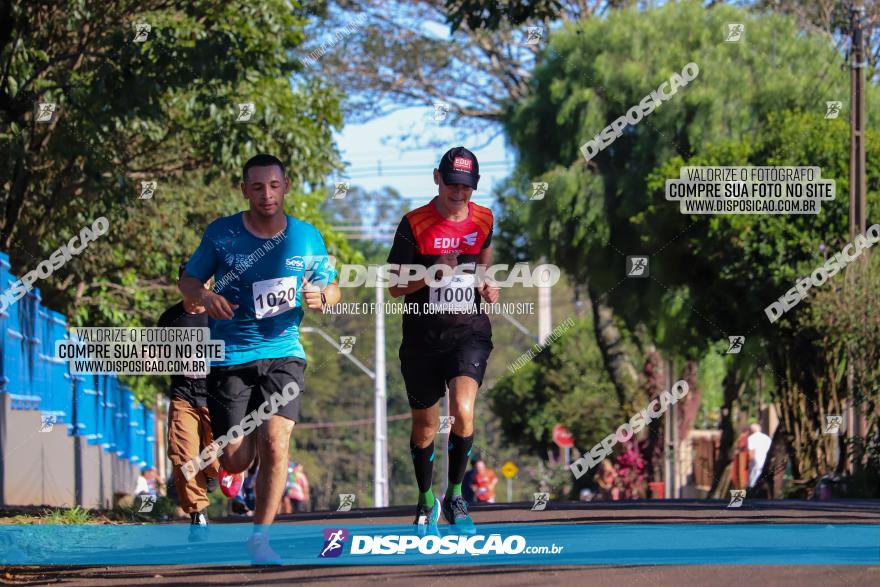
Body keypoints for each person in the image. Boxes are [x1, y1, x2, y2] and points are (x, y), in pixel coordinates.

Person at [179, 153, 340, 564]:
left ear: (285, 187)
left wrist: (322, 296)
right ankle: (232, 457)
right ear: (244, 190)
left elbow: (332, 287)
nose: (266, 194)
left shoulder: (305, 237)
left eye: (273, 185)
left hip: (284, 352)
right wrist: (206, 296)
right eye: (257, 187)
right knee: (236, 457)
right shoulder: (223, 234)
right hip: (231, 355)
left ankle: (261, 538)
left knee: (276, 441)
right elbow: (189, 279)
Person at [388, 146, 499, 536]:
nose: (458, 193)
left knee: (464, 410)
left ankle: (455, 495)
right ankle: (425, 498)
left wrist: (487, 282)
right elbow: (394, 286)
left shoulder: (484, 217)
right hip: (421, 337)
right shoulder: (414, 223)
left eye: (466, 187)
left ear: (476, 185)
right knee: (425, 426)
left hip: (468, 332)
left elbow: (483, 260)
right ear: (437, 178)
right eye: (451, 184)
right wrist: (430, 273)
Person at [159, 261, 220, 540]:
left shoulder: (221, 316)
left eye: (202, 282)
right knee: (183, 454)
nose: (197, 288)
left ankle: (212, 474)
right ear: (181, 285)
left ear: (210, 285)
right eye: (190, 282)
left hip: (216, 397)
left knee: (219, 459)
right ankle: (198, 515)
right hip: (183, 396)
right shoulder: (170, 318)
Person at [747, 422, 772, 489]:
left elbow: (751, 452)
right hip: (766, 461)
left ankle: (752, 493)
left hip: (756, 462)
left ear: (752, 430)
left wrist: (749, 462)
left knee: (753, 479)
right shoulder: (767, 438)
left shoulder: (751, 438)